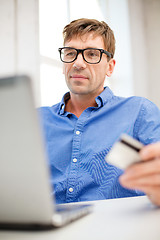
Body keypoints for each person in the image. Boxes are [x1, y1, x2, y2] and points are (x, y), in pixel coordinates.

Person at [39, 18, 160, 206]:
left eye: (92, 54)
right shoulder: (36, 120)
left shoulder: (139, 112)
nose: (78, 63)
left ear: (110, 67)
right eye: (70, 53)